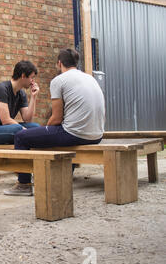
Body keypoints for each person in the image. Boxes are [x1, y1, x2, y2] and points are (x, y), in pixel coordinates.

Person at [11, 48, 105, 196]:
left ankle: (23, 184)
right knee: (60, 134)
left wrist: (45, 131)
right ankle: (64, 176)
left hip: (76, 134)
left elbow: (56, 118)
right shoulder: (89, 78)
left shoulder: (59, 80)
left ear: (59, 63)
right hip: (97, 135)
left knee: (21, 137)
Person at [0, 60, 41, 195]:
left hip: (5, 130)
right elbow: (6, 120)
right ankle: (24, 179)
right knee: (19, 130)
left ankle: (33, 172)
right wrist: (23, 130)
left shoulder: (21, 93)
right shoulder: (1, 89)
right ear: (23, 76)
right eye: (31, 77)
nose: (32, 81)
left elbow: (27, 119)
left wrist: (33, 98)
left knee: (36, 127)